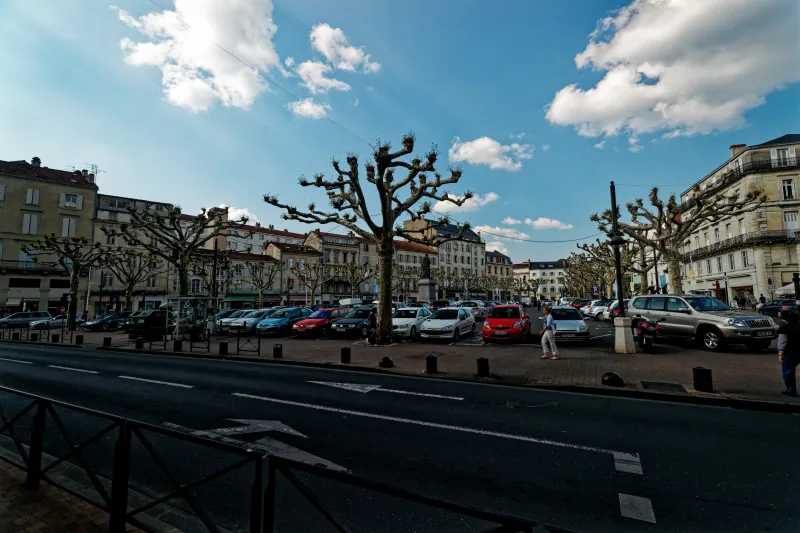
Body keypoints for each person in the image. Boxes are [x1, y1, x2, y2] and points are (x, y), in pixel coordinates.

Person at [777, 310, 800, 396]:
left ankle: (791, 390)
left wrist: (780, 354)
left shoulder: (784, 329)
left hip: (789, 353)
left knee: (788, 372)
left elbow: (782, 343)